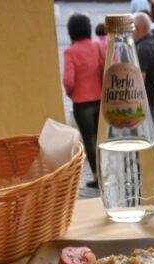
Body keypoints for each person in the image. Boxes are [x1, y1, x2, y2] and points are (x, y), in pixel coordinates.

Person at [62, 14, 104, 189]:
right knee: (102, 139)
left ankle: (97, 177)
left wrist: (72, 93)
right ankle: (107, 172)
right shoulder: (96, 47)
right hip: (99, 99)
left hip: (82, 103)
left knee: (90, 140)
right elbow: (105, 69)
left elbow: (68, 81)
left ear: (71, 31)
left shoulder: (70, 52)